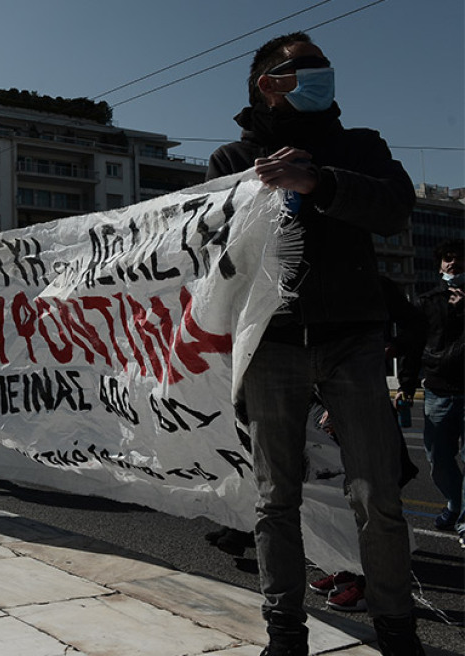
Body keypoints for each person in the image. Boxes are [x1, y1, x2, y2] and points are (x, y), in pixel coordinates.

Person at [206, 33, 424, 655]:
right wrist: (262, 193)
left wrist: (319, 181)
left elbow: (393, 208)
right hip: (271, 341)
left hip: (354, 338)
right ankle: (285, 631)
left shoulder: (362, 147)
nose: (316, 77)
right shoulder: (232, 160)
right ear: (264, 84)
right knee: (276, 496)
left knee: (377, 492)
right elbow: (219, 253)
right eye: (298, 70)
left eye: (321, 68)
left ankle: (396, 629)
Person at [399, 239, 464, 547]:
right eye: (448, 259)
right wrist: (407, 385)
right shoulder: (427, 302)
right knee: (438, 459)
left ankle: (463, 520)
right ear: (440, 264)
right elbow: (413, 346)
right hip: (438, 390)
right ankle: (455, 505)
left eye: (460, 260)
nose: (453, 264)